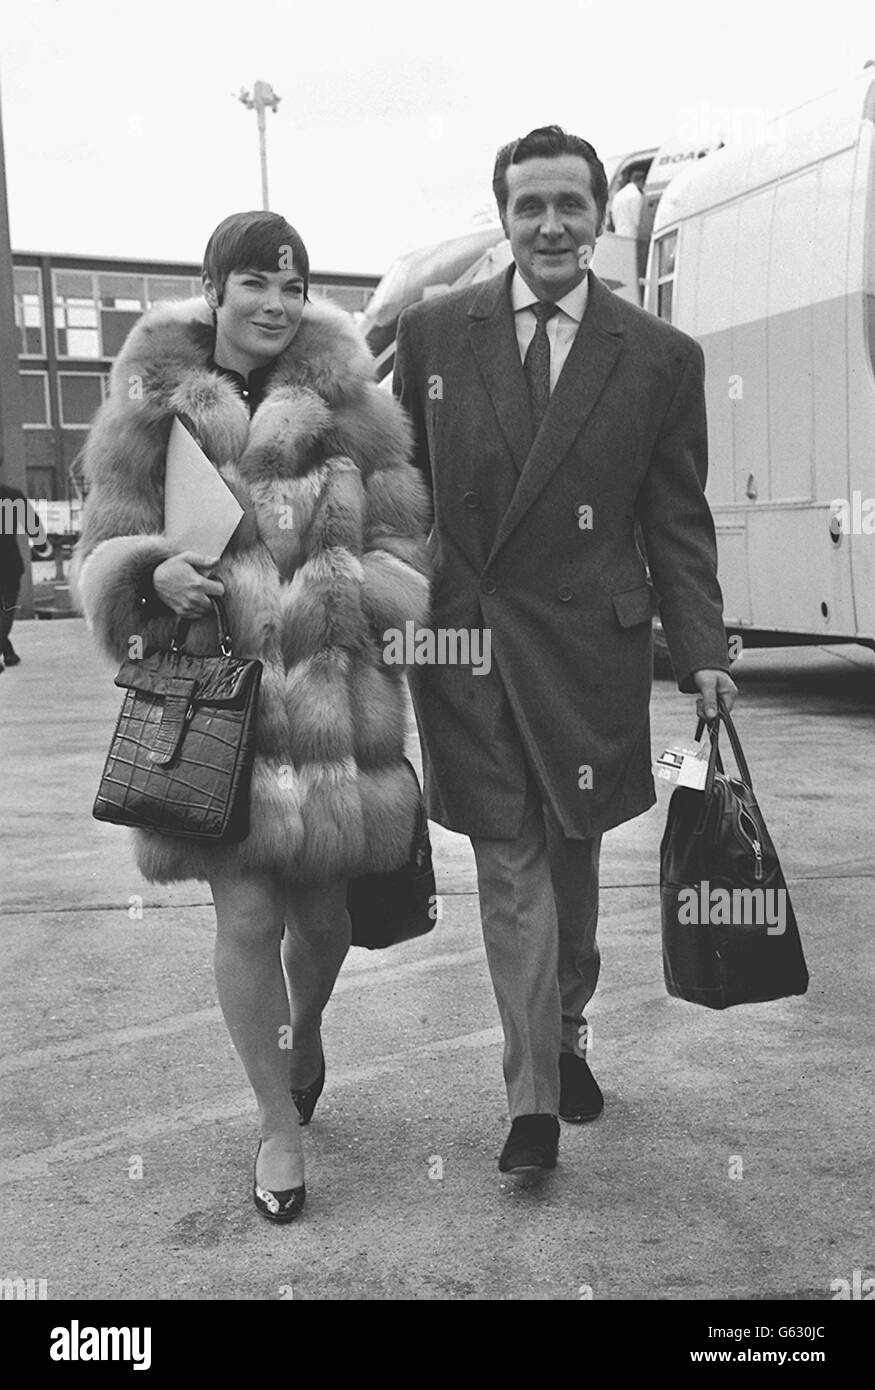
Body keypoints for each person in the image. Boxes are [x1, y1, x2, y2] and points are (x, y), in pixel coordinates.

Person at [72, 211, 431, 1222]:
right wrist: (150, 572)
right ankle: (278, 1124)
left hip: (329, 698)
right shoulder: (152, 407)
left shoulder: (354, 408)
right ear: (213, 290)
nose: (274, 302)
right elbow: (104, 550)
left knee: (324, 919)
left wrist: (352, 591)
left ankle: (302, 1033)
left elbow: (405, 546)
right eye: (253, 283)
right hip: (217, 704)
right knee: (247, 914)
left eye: (291, 284)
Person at [394, 126, 736, 1177]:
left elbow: (675, 517)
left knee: (572, 858)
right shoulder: (432, 335)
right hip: (467, 643)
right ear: (503, 216)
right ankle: (530, 1100)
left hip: (590, 645)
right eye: (529, 204)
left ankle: (568, 1026)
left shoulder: (660, 357)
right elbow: (401, 495)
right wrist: (378, 608)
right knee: (508, 861)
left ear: (597, 218)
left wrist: (702, 648)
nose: (549, 224)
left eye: (568, 205)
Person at [0, 479, 26, 671]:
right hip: (9, 563)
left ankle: (8, 652)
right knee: (7, 610)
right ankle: (7, 652)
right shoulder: (12, 496)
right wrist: (43, 547)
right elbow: (33, 527)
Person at [610, 167, 646, 238]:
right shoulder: (636, 195)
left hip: (618, 234)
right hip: (631, 235)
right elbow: (637, 219)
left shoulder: (618, 194)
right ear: (641, 181)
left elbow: (613, 217)